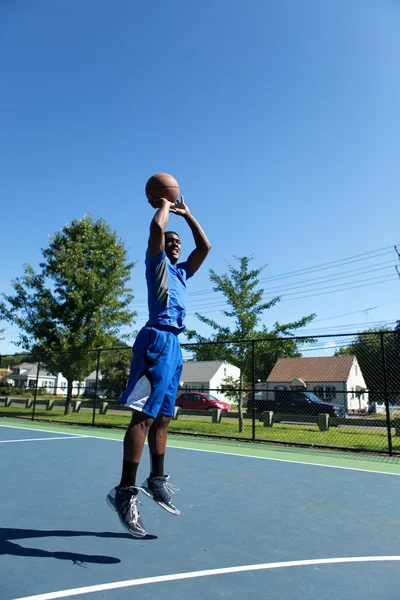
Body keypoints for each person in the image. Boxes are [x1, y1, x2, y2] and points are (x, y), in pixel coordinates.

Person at [107, 195, 211, 537]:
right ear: (161, 245)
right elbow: (156, 227)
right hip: (155, 339)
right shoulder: (157, 264)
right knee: (145, 417)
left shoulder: (182, 273)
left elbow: (205, 246)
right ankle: (124, 491)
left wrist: (189, 215)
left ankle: (156, 479)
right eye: (172, 240)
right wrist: (165, 203)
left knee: (165, 417)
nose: (176, 244)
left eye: (178, 241)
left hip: (175, 345)